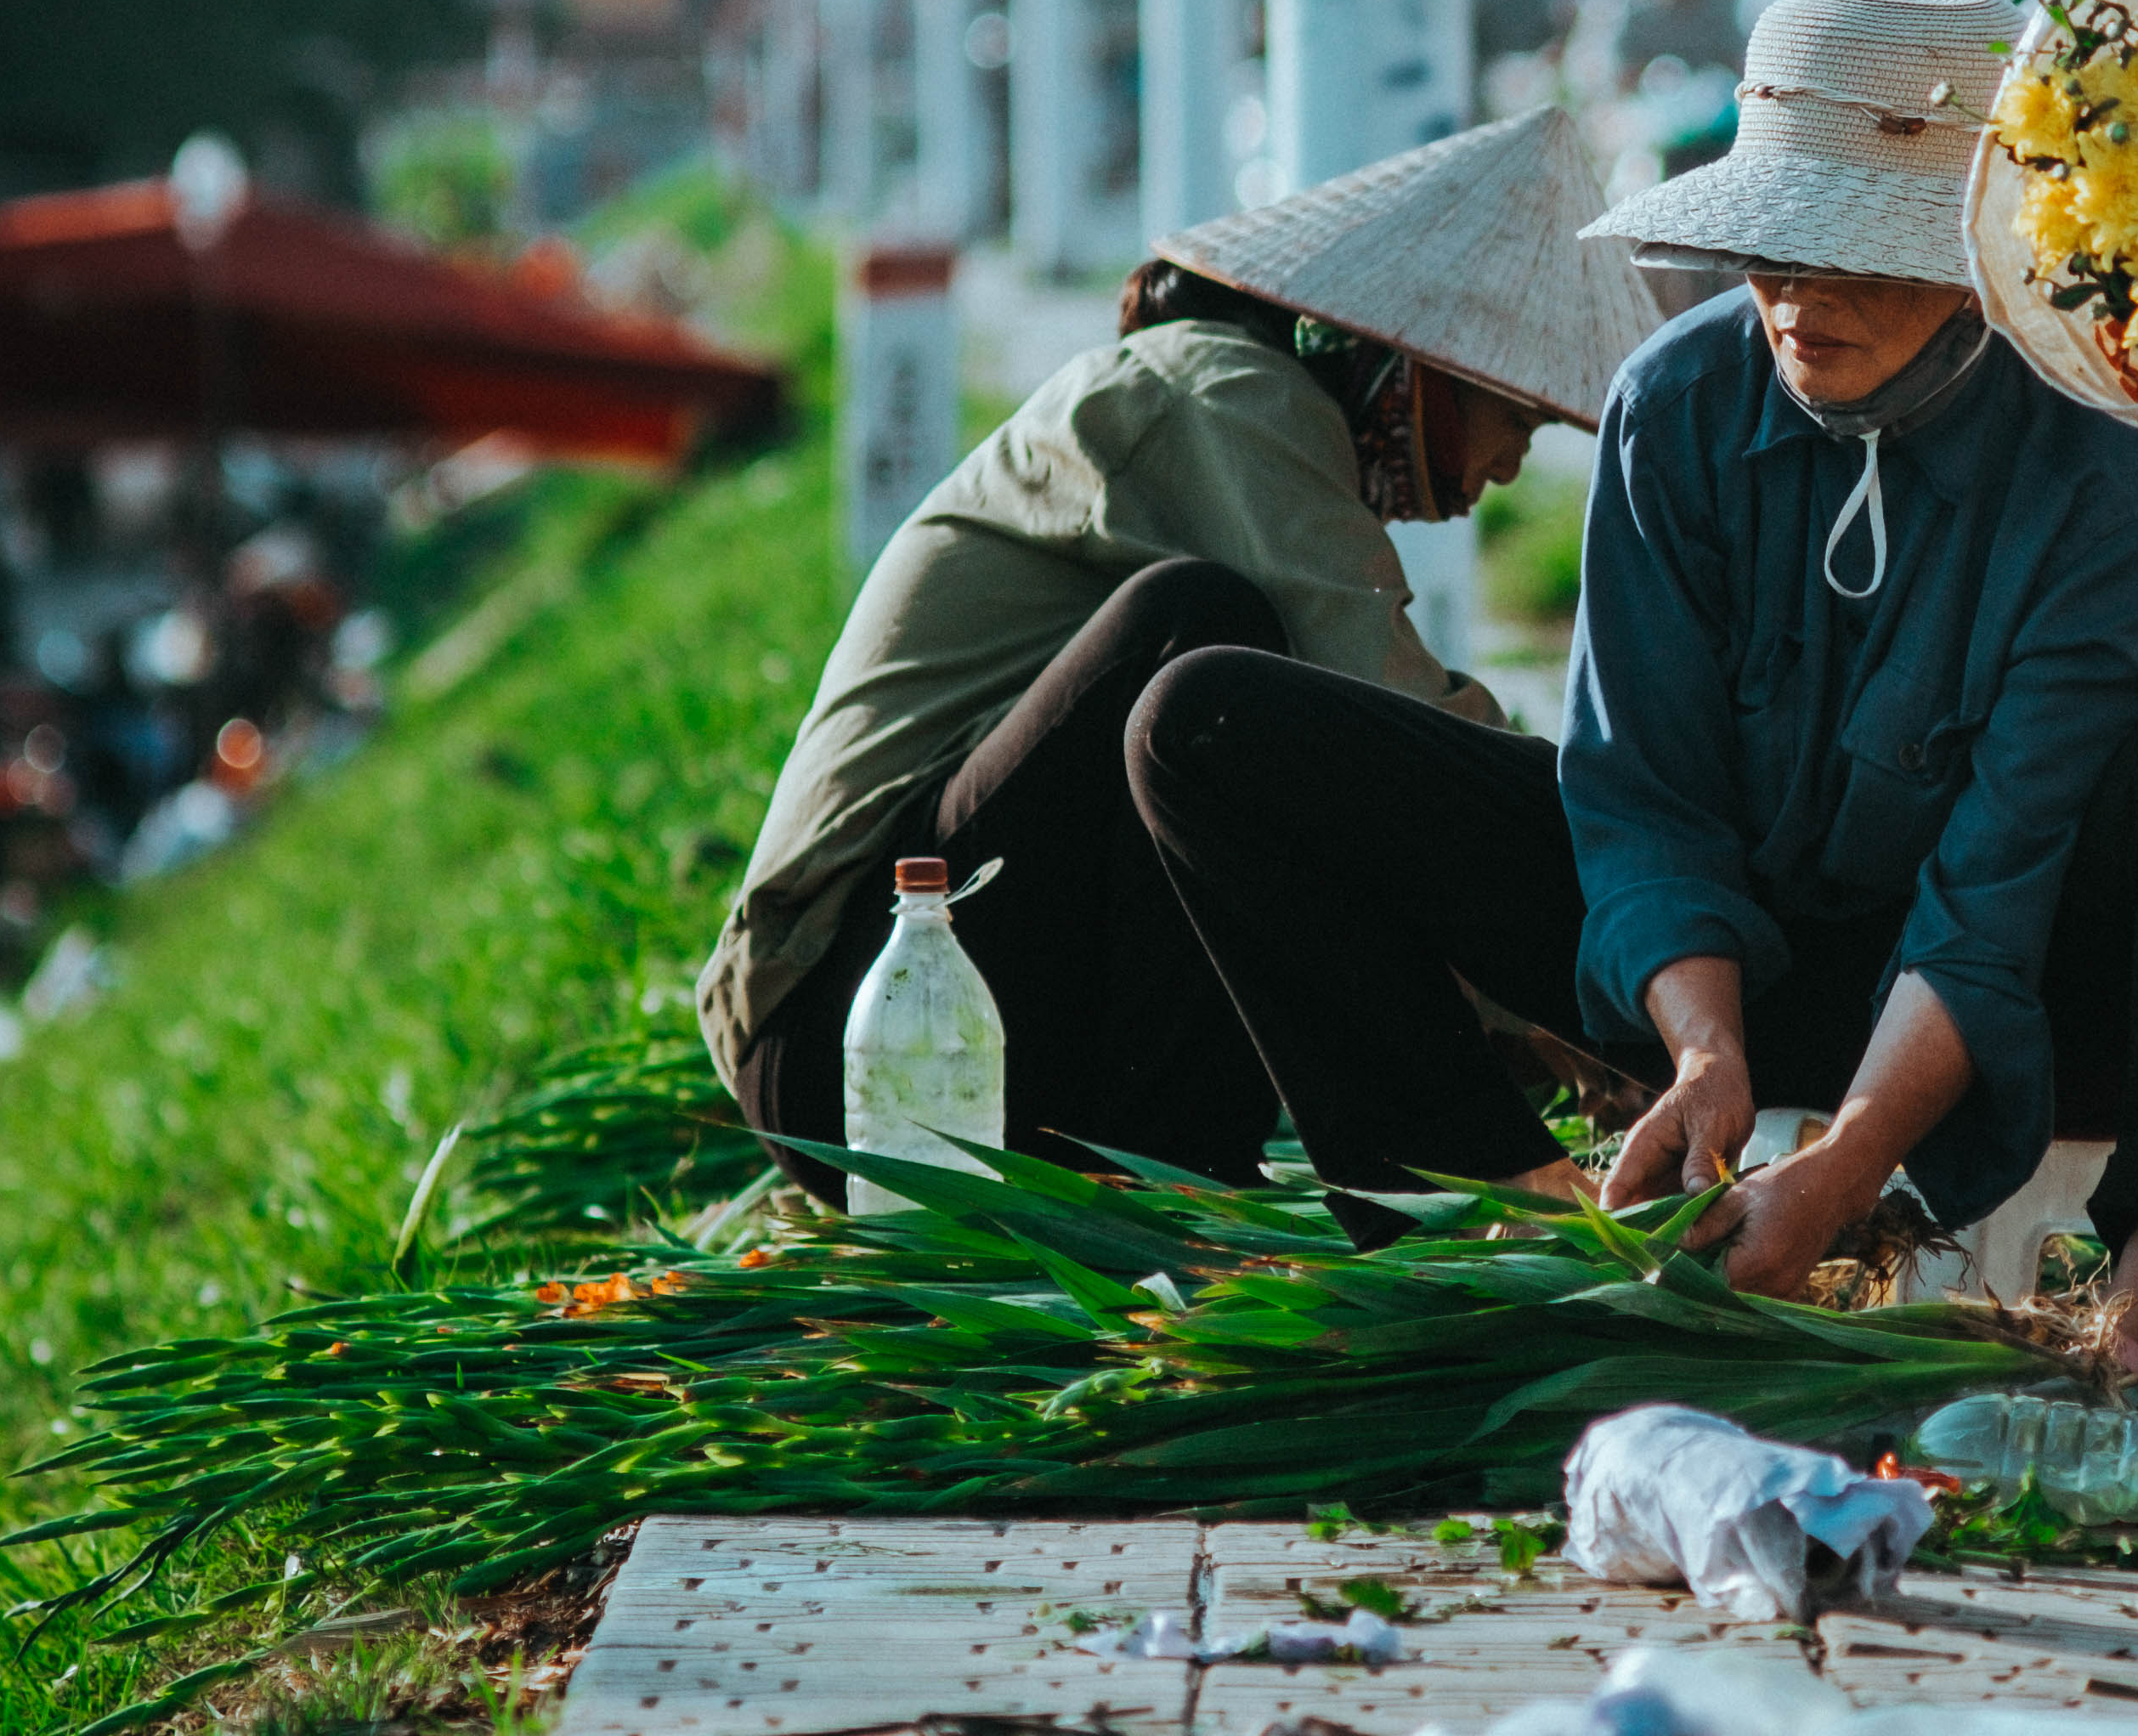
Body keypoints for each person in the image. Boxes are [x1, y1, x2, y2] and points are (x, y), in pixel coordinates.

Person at [1126, 0, 2138, 1404]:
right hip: (1738, 956)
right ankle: (1523, 1219)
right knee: (1206, 722)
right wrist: (1704, 1050)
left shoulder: (2098, 456)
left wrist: (1844, 1166)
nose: (1799, 299)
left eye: (1857, 257)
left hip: (1992, 982)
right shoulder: (1678, 401)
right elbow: (1643, 793)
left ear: (1980, 267)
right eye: (1773, 248)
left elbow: (1998, 876)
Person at [698, 108, 1663, 1199]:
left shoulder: (1238, 410)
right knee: (1202, 645)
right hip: (862, 1043)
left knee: (1245, 740)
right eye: (1516, 425)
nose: (1502, 471)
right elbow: (1414, 735)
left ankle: (1191, 1182)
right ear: (1421, 365)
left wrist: (1542, 1029)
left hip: (977, 1040)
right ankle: (1438, 1178)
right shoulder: (1226, 395)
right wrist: (1632, 961)